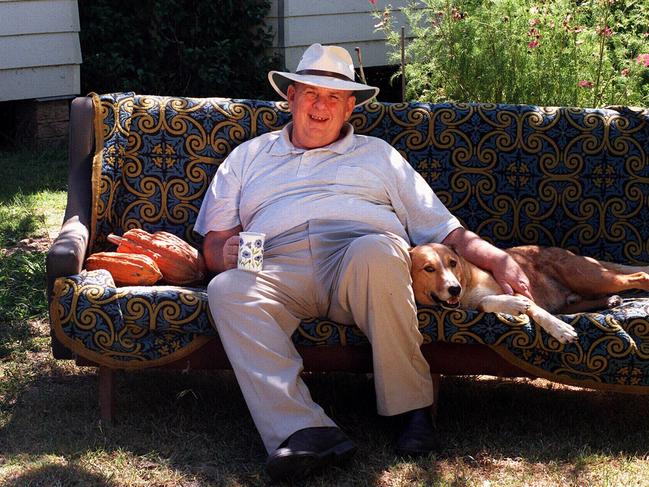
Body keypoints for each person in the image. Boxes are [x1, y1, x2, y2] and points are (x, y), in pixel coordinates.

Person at [195, 43, 531, 481]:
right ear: (291, 96)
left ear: (350, 107)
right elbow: (214, 243)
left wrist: (499, 260)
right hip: (276, 265)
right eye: (311, 92)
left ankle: (411, 411)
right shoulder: (248, 157)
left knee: (377, 251)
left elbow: (443, 229)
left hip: (362, 259)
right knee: (226, 289)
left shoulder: (379, 156)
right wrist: (223, 254)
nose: (320, 105)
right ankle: (303, 430)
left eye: (333, 97)